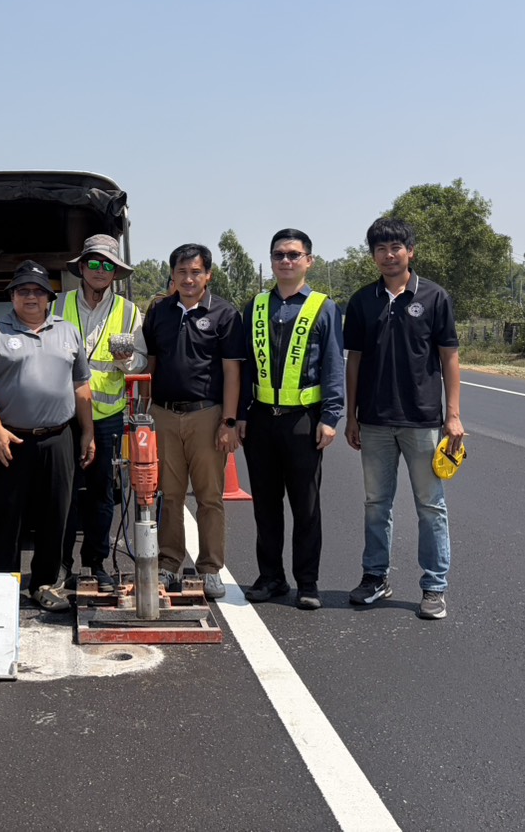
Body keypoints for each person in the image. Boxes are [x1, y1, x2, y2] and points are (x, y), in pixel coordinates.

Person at [343, 218, 463, 621]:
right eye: (380, 248)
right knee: (376, 504)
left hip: (423, 421)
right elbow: (354, 360)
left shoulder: (434, 296)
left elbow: (449, 357)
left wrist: (453, 416)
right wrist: (352, 416)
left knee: (430, 505)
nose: (388, 255)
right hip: (374, 420)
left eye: (396, 247)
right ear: (373, 255)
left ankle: (434, 586)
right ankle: (375, 577)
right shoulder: (362, 301)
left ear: (410, 251)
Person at [0, 261, 94, 612]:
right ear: (12, 296)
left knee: (56, 515)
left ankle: (43, 584)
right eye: (23, 290)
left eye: (38, 291)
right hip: (11, 440)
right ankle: (3, 588)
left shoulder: (67, 331)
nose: (31, 297)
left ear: (49, 298)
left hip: (59, 437)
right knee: (7, 516)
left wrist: (88, 432)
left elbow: (81, 385)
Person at [239, 230, 345, 611]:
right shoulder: (255, 306)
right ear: (271, 261)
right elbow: (244, 365)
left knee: (306, 506)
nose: (286, 261)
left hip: (303, 420)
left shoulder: (323, 307)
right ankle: (271, 576)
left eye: (293, 255)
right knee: (265, 505)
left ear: (308, 261)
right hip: (261, 420)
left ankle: (307, 582)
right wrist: (239, 414)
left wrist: (330, 416)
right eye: (279, 255)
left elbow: (333, 364)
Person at [141, 243, 246, 600]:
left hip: (207, 414)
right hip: (163, 414)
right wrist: (143, 412)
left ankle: (210, 568)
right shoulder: (159, 311)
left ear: (208, 275)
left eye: (195, 272)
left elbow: (232, 372)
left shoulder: (224, 314)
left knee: (209, 497)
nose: (188, 279)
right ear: (172, 275)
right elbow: (150, 363)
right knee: (169, 495)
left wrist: (228, 422)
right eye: (182, 272)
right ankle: (169, 563)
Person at [54, 233, 145, 592]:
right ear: (81, 267)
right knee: (62, 493)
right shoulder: (59, 304)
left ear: (116, 273)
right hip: (63, 413)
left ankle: (95, 562)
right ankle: (60, 565)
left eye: (108, 265)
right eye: (93, 262)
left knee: (101, 494)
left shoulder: (129, 311)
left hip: (107, 417)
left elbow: (140, 363)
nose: (100, 270)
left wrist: (127, 360)